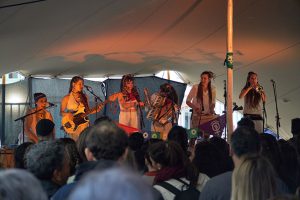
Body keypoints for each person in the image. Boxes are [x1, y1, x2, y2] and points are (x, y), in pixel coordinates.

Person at [60, 76, 103, 140]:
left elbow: (87, 111)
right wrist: (67, 114)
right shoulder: (66, 98)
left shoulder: (85, 96)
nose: (82, 86)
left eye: (83, 84)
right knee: (76, 144)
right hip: (73, 125)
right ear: (73, 84)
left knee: (84, 143)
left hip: (84, 124)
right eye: (80, 84)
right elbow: (61, 113)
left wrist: (97, 109)